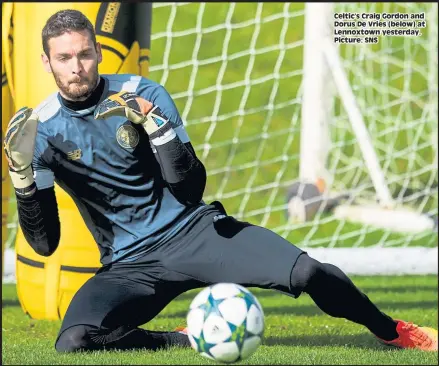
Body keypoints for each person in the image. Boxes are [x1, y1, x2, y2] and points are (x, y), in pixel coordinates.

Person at [4, 9, 437, 353]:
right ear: (47, 62)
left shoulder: (142, 94)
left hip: (195, 234)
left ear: (97, 51)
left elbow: (190, 190)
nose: (76, 67)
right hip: (129, 265)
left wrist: (157, 127)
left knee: (308, 272)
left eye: (84, 54)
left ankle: (393, 331)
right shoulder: (38, 133)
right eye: (64, 58)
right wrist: (23, 176)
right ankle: (184, 339)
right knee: (73, 341)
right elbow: (45, 244)